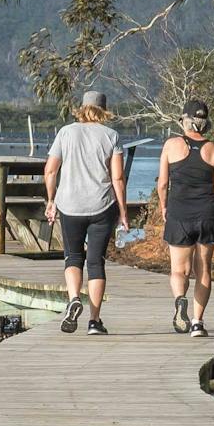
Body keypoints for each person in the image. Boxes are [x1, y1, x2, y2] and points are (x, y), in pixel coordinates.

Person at [43, 89, 129, 335]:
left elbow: (50, 171)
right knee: (96, 262)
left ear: (81, 108)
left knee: (72, 257)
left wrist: (51, 200)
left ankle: (73, 299)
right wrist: (123, 211)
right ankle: (94, 321)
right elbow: (118, 178)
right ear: (104, 110)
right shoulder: (112, 135)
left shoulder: (66, 132)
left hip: (70, 205)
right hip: (102, 206)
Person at [157, 99, 214, 337]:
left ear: (185, 121)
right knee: (204, 270)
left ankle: (180, 300)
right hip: (208, 214)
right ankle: (198, 323)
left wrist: (164, 206)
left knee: (179, 270)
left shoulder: (171, 145)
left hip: (179, 212)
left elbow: (163, 184)